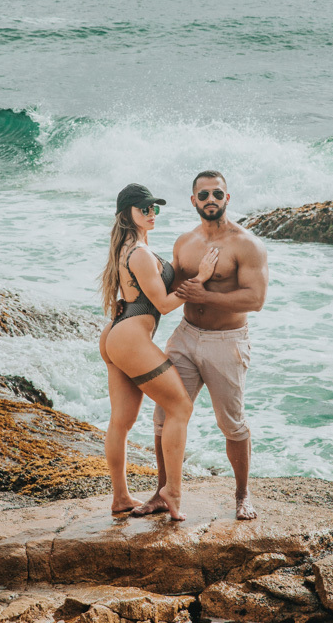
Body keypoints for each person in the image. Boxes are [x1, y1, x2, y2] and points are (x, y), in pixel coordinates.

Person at [134, 170, 269, 520]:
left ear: (228, 198)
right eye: (204, 195)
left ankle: (242, 495)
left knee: (232, 424)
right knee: (164, 417)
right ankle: (163, 493)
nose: (211, 200)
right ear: (193, 201)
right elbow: (169, 293)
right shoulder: (185, 243)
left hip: (226, 342)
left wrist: (206, 293)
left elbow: (255, 299)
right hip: (186, 335)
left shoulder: (246, 244)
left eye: (218, 194)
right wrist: (131, 309)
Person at [98, 182, 219, 522]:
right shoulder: (137, 252)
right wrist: (202, 278)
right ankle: (172, 491)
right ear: (127, 214)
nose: (151, 214)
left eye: (154, 208)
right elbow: (164, 305)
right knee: (180, 406)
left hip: (117, 334)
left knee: (121, 421)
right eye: (144, 209)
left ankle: (120, 498)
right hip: (130, 338)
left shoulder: (128, 247)